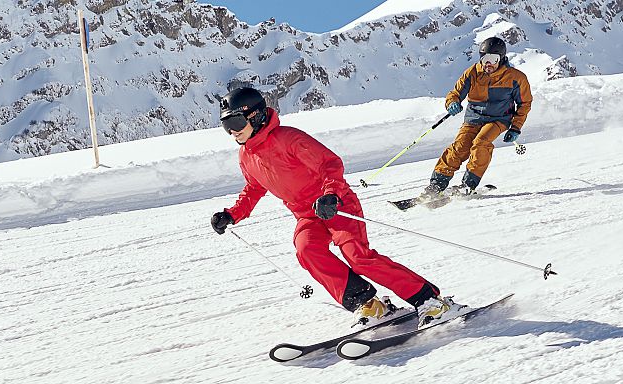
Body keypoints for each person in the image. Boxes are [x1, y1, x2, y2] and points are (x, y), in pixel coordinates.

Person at [209, 86, 456, 325]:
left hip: (336, 205)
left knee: (358, 257)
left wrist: (331, 195)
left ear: (257, 116)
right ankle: (368, 302)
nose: (233, 132)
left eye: (236, 124)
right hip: (307, 215)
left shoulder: (288, 139)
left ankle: (429, 300)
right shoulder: (246, 155)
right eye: (226, 127)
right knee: (306, 249)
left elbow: (330, 164)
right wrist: (231, 214)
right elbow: (254, 188)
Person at [419, 36, 534, 201]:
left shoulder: (516, 77)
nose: (488, 64)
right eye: (485, 58)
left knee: (481, 143)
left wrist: (515, 127)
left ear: (501, 59)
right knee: (459, 148)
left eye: (493, 59)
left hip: (498, 119)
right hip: (473, 117)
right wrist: (452, 102)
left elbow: (525, 103)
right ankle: (436, 185)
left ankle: (469, 185)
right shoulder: (472, 72)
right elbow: (455, 93)